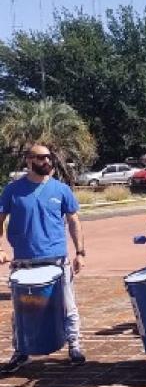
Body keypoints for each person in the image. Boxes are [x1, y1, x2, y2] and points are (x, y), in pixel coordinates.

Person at [0, 145, 86, 372]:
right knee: (21, 311)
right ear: (28, 161)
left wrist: (80, 252)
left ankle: (74, 345)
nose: (46, 161)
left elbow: (74, 221)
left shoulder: (61, 190)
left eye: (48, 157)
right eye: (40, 158)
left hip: (57, 260)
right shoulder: (13, 190)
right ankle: (21, 351)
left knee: (68, 306)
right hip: (23, 262)